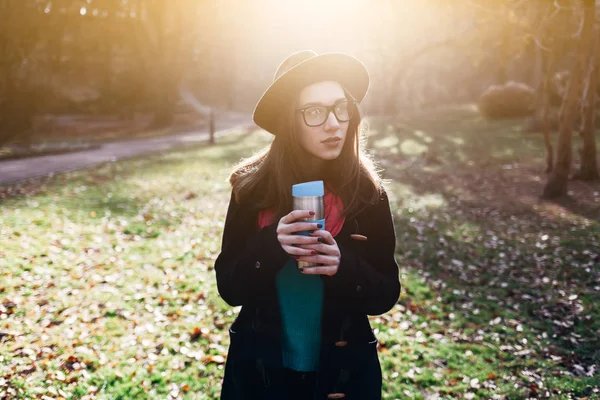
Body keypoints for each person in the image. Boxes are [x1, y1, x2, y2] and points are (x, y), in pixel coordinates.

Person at [215, 50, 401, 400]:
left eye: (340, 107)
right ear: (290, 121)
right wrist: (271, 245)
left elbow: (386, 293)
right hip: (260, 375)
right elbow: (229, 288)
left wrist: (343, 266)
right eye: (314, 112)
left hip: (344, 376)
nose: (333, 123)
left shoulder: (368, 195)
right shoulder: (250, 190)